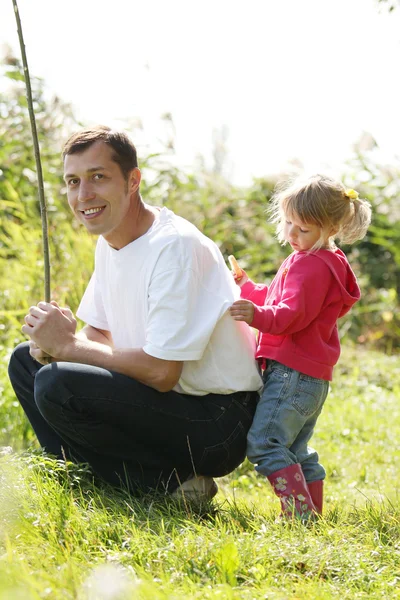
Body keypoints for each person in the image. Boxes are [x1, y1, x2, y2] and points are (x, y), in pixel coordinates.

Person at [8, 125, 262, 500]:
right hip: (164, 402)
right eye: (73, 181)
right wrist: (55, 346)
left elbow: (162, 371)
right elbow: (98, 335)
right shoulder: (110, 241)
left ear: (132, 181)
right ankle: (86, 478)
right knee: (25, 363)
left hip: (216, 422)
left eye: (98, 177)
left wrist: (68, 349)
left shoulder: (173, 246)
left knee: (55, 381)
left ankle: (166, 485)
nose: (83, 194)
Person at [229, 174, 371, 519]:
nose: (292, 235)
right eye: (288, 223)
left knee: (265, 443)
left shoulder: (310, 265)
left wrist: (256, 316)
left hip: (290, 373)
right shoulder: (323, 260)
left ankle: (299, 516)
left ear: (331, 227)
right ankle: (311, 515)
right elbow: (283, 298)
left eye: (303, 229)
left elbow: (290, 315)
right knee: (296, 448)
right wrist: (248, 288)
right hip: (311, 377)